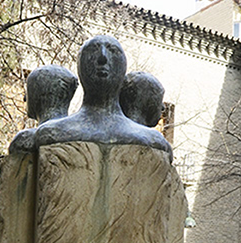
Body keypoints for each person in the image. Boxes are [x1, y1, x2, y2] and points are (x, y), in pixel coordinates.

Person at [34, 35, 172, 156]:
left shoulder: (152, 140)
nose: (102, 57)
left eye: (112, 51)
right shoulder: (51, 132)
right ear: (80, 65)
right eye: (93, 50)